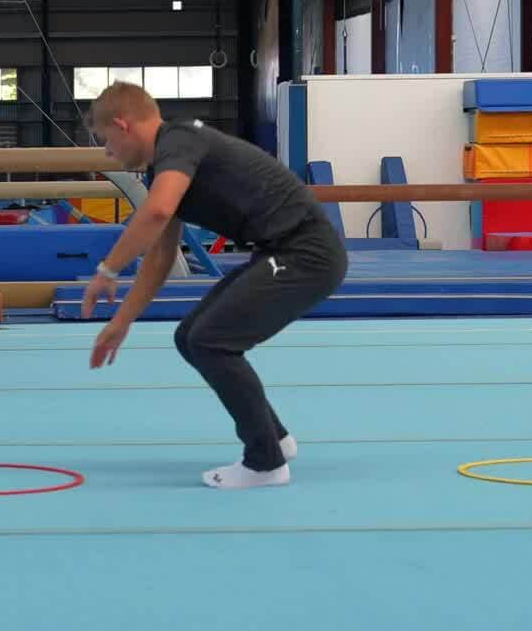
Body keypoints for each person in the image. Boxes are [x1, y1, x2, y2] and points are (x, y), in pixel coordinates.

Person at [79, 81, 347, 489]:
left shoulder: (179, 139)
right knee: (190, 336)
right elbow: (160, 256)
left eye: (106, 141)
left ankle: (264, 463)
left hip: (305, 253)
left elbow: (157, 212)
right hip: (282, 251)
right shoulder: (165, 164)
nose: (107, 153)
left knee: (211, 340)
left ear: (122, 125)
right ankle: (274, 437)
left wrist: (108, 270)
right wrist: (122, 321)